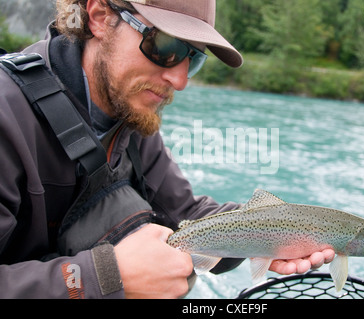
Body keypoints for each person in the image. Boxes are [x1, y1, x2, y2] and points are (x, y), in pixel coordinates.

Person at [0, 0, 334, 299]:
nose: (180, 79)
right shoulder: (6, 114)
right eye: (165, 46)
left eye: (193, 58)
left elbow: (186, 216)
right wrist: (103, 276)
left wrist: (267, 233)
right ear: (100, 17)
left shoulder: (130, 115)